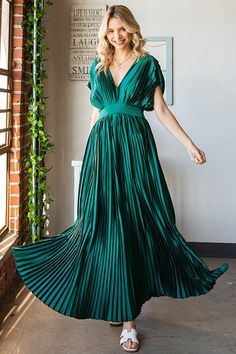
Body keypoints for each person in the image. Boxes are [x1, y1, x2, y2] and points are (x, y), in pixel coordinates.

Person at [12, 4, 229, 353]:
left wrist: (189, 144)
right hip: (102, 151)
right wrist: (90, 160)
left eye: (121, 29)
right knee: (102, 226)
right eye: (111, 31)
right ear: (105, 33)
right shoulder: (98, 67)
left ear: (132, 29)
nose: (116, 36)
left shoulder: (147, 65)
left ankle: (129, 323)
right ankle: (117, 300)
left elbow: (159, 109)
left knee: (133, 225)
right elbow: (97, 114)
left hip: (134, 150)